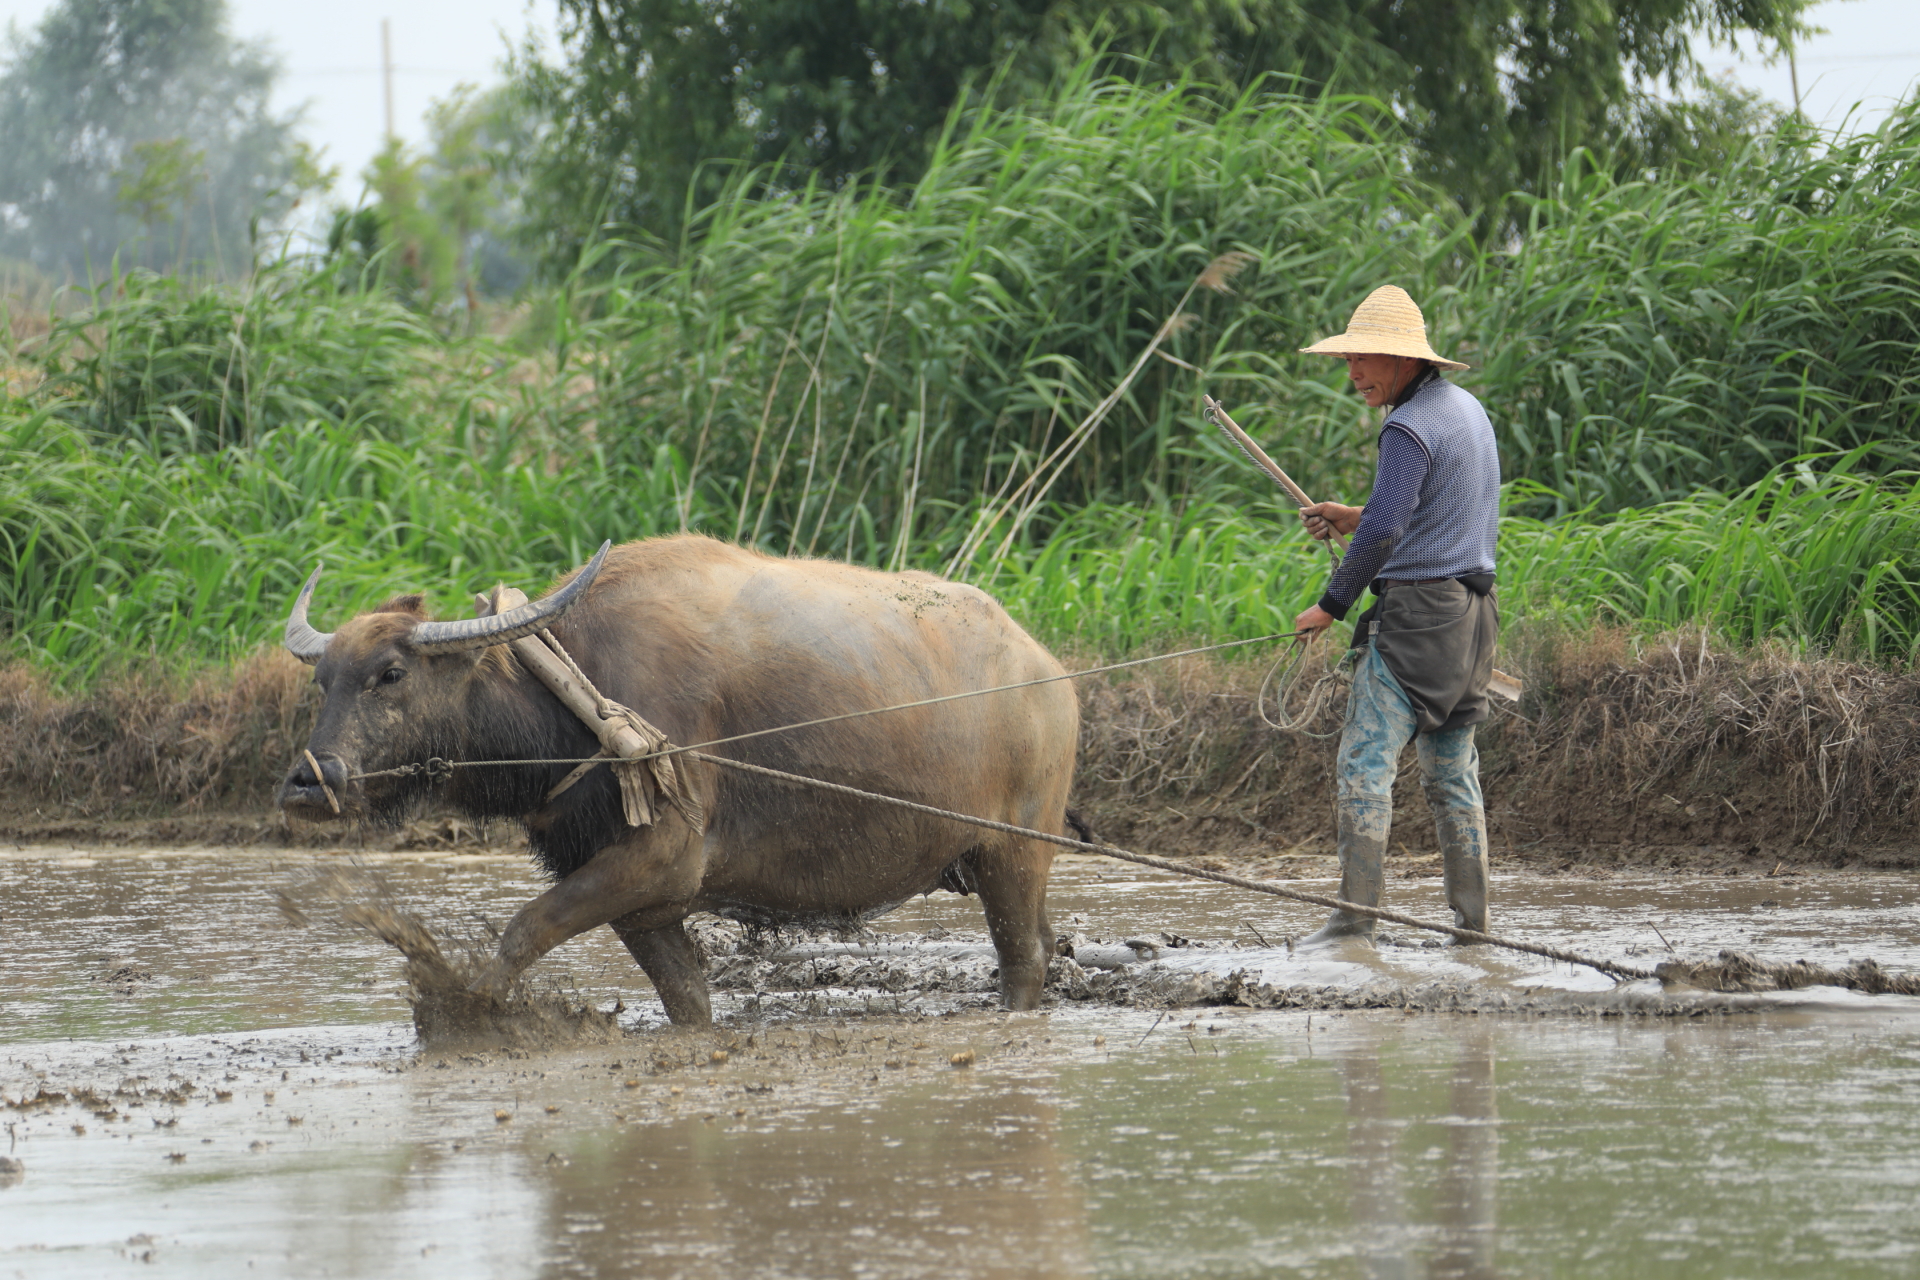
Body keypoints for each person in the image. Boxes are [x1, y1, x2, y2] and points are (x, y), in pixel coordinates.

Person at [1290, 285, 1500, 942]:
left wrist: (1329, 606)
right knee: (1452, 775)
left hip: (1418, 621)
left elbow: (1386, 532)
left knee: (1364, 765)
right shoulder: (1465, 410)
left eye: (1364, 358)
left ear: (1404, 359)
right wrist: (1354, 515)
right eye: (1348, 359)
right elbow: (1432, 509)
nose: (1353, 373)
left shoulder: (1406, 427)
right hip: (1473, 621)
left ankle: (1355, 923)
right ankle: (1473, 927)